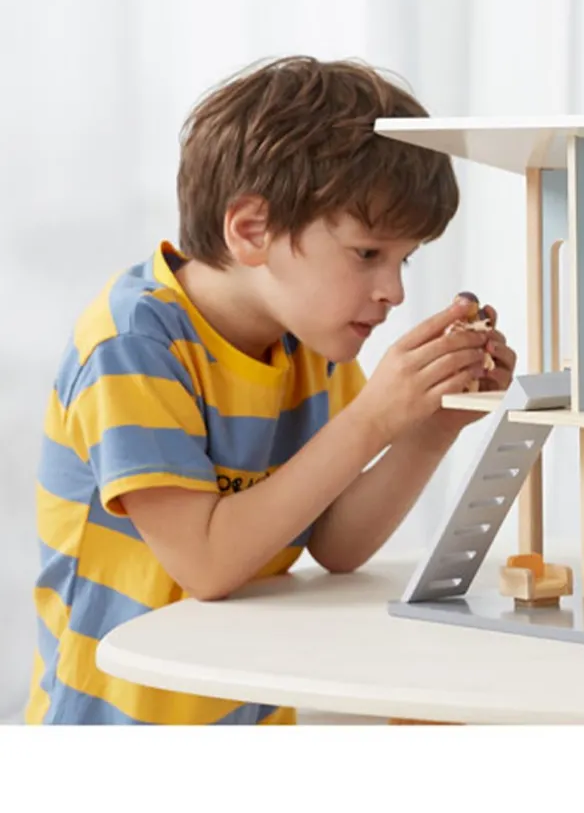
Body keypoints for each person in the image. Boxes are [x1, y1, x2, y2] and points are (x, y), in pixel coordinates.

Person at [25, 56, 517, 725]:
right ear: (252, 230)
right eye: (368, 254)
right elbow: (205, 563)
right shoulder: (133, 344)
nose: (394, 291)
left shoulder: (309, 341)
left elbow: (336, 544)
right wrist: (373, 419)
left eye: (405, 259)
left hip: (245, 713)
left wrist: (430, 425)